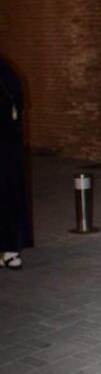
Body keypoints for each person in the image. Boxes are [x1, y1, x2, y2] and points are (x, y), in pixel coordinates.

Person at [0, 58, 32, 269]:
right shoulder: (8, 73)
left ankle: (9, 249)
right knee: (10, 196)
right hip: (9, 148)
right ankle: (11, 250)